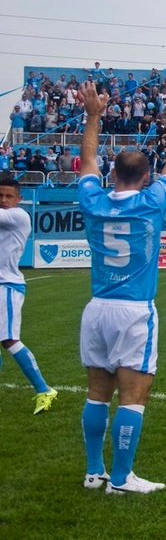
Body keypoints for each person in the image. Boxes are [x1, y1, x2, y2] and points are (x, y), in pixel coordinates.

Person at [77, 78, 166, 495]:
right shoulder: (152, 202)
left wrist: (93, 115)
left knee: (96, 394)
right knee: (133, 396)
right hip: (134, 311)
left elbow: (86, 159)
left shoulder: (93, 201)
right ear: (146, 177)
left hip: (96, 307)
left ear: (113, 174)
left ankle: (94, 472)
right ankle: (122, 479)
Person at [0, 177, 58, 414]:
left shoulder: (19, 216)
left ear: (19, 199)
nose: (4, 200)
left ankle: (44, 389)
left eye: (9, 196)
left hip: (7, 286)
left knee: (10, 340)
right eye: (0, 196)